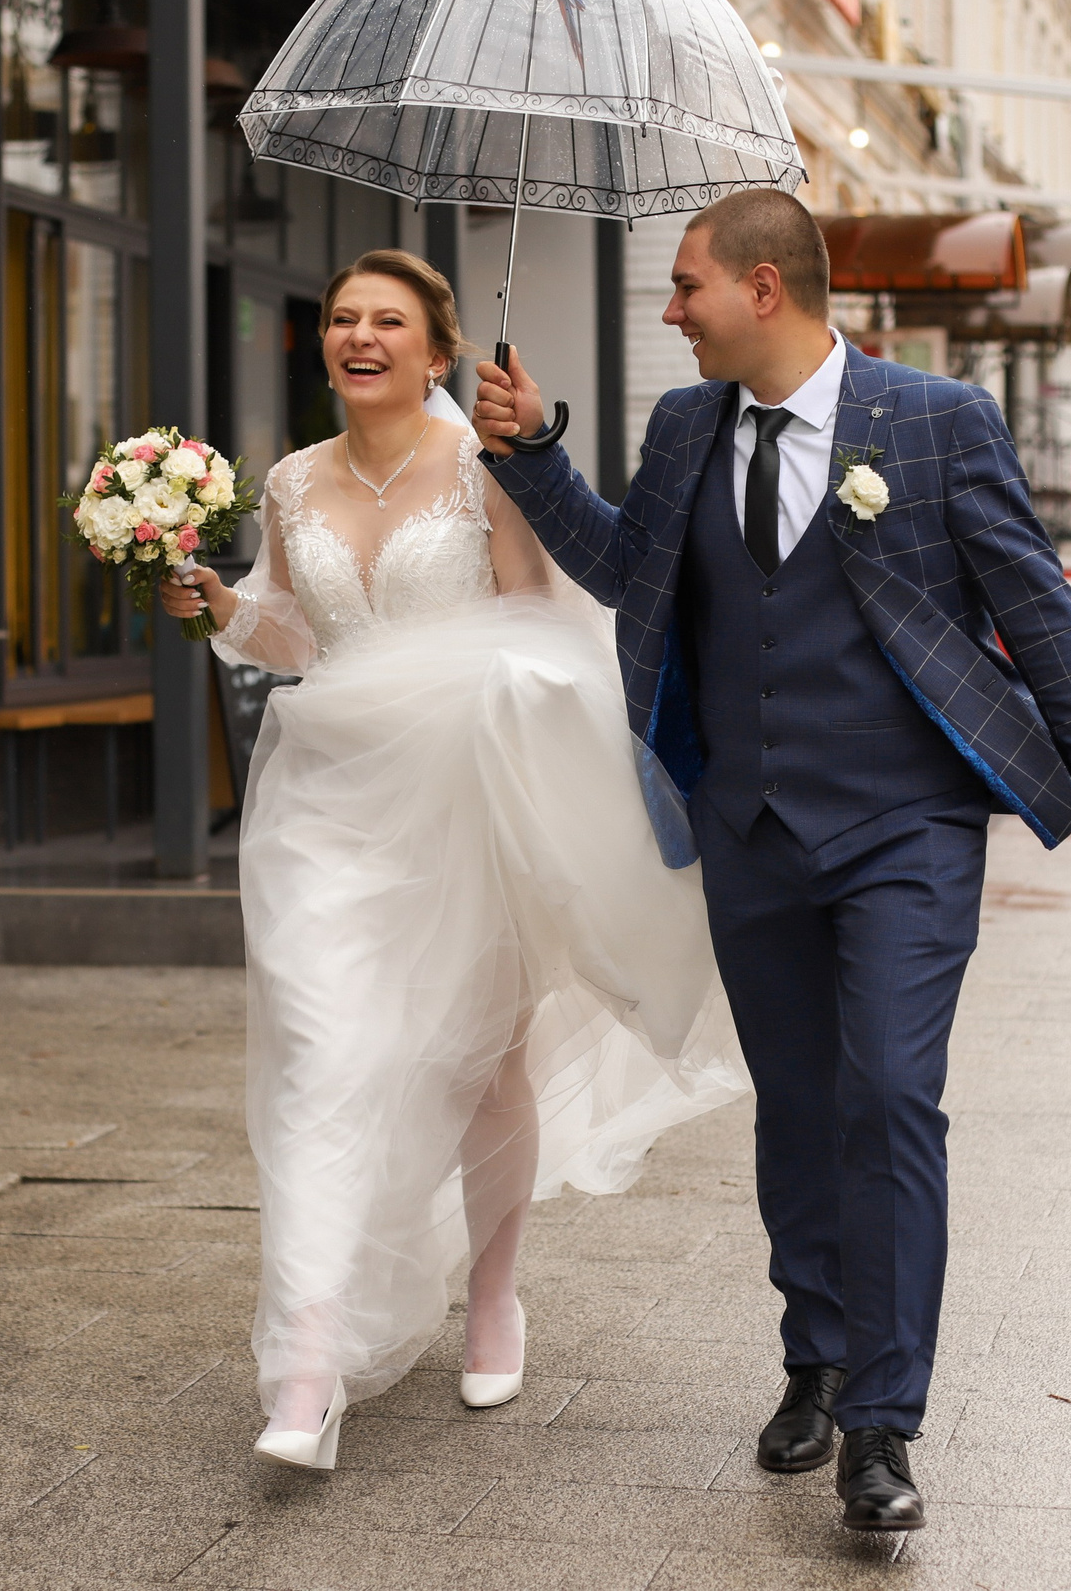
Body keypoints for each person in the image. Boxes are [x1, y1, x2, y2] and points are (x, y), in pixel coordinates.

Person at [473, 190, 1071, 1535]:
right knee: (795, 1100)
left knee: (891, 1095)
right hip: (748, 826)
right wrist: (538, 451)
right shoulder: (685, 427)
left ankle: (885, 1424)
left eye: (685, 287)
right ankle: (818, 1355)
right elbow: (627, 569)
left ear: (766, 289)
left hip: (905, 828)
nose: (669, 310)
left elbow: (1038, 612)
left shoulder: (936, 423)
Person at [161, 250, 745, 1473]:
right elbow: (287, 628)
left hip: (466, 796)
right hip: (325, 804)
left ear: (438, 353)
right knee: (324, 1058)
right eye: (339, 320)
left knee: (481, 1066)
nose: (357, 337)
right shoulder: (285, 483)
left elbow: (541, 624)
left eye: (387, 322)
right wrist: (216, 603)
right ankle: (305, 1368)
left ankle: (493, 1297)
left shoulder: (485, 471)